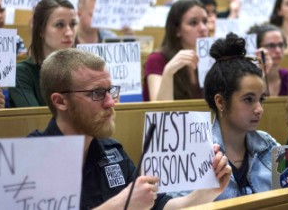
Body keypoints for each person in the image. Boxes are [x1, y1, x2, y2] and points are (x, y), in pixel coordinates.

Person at [28, 48, 231, 209]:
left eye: (111, 91)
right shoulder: (30, 160)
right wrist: (120, 205)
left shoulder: (112, 151)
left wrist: (206, 192)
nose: (110, 102)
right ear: (60, 101)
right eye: (97, 93)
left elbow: (158, 207)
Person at [200, 33, 279, 199]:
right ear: (220, 102)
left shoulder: (268, 145)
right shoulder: (197, 153)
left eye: (261, 99)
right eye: (248, 99)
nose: (259, 109)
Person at [9, 0, 76, 107]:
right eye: (60, 25)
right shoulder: (20, 74)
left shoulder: (82, 71)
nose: (69, 33)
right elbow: (36, 120)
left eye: (73, 24)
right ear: (41, 30)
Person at [143, 0, 208, 101]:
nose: (203, 28)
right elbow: (158, 110)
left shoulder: (209, 59)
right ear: (177, 30)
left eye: (205, 22)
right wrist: (168, 71)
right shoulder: (156, 59)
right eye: (193, 23)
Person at [248, 23, 288, 96]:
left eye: (281, 45)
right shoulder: (247, 80)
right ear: (257, 48)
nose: (278, 50)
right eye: (271, 46)